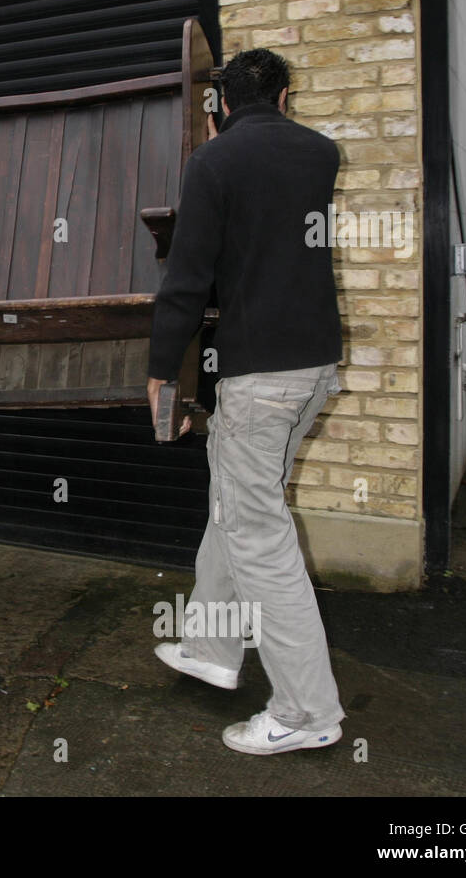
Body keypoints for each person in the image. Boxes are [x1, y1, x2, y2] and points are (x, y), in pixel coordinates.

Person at [146, 49, 345, 755]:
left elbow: (189, 276)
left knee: (259, 536)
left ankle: (306, 711)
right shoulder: (321, 154)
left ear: (221, 104)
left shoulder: (216, 163)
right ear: (286, 97)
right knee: (237, 504)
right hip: (317, 365)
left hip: (261, 377)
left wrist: (161, 366)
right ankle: (209, 646)